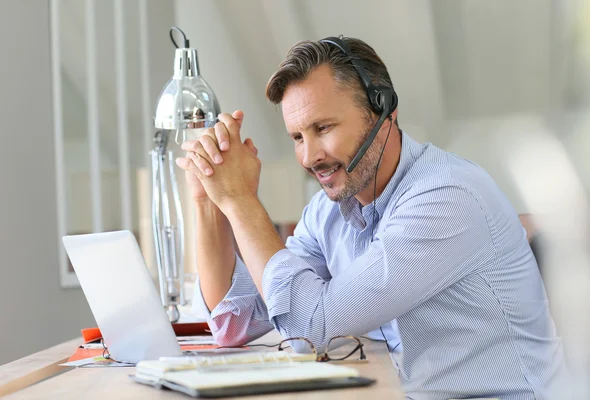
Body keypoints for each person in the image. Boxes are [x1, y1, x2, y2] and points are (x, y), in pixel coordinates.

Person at [175, 36, 565, 400]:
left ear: (384, 109)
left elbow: (311, 328)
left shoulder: (446, 198)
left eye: (323, 128)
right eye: (297, 137)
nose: (310, 157)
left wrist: (241, 201)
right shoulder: (326, 211)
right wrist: (208, 199)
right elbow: (236, 323)